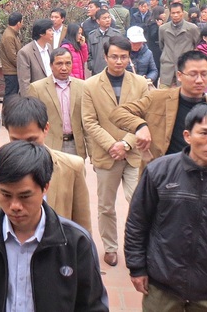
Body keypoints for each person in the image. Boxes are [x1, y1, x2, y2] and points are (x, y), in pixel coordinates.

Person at [0, 141, 108, 312]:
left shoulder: (76, 242)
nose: (15, 205)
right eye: (6, 194)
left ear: (45, 187)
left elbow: (92, 305)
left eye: (24, 196)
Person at [125, 103, 207, 311]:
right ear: (187, 135)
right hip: (162, 287)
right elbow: (138, 222)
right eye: (204, 133)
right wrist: (137, 268)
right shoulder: (159, 172)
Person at [0, 96, 91, 232]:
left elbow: (82, 227)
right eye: (16, 140)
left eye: (32, 140)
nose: (25, 147)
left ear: (46, 128)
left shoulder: (72, 167)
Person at [82, 35, 148, 266]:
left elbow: (144, 117)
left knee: (139, 201)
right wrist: (112, 145)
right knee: (106, 205)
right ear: (105, 56)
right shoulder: (90, 85)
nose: (119, 61)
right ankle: (110, 247)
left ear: (129, 57)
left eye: (123, 57)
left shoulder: (140, 83)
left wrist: (126, 144)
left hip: (134, 153)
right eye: (114, 57)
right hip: (106, 154)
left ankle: (138, 245)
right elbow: (89, 122)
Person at [110, 50, 207, 161]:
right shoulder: (158, 98)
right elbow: (118, 113)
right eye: (193, 74)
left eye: (204, 74)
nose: (199, 80)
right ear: (179, 75)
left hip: (203, 172)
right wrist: (140, 126)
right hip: (165, 172)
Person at [27, 47, 88, 158]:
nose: (64, 68)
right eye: (59, 64)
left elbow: (88, 120)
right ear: (51, 65)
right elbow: (32, 121)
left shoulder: (83, 87)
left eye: (68, 63)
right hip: (48, 146)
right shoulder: (37, 88)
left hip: (75, 146)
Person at [159, 2, 200, 87]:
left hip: (185, 67)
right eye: (173, 13)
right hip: (167, 67)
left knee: (184, 95)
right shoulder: (163, 29)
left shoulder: (192, 28)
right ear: (170, 14)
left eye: (178, 12)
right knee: (164, 96)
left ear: (183, 12)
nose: (176, 15)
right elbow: (161, 45)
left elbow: (197, 44)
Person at [16, 18, 54, 95]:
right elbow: (24, 81)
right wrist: (28, 102)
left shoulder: (49, 47)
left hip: (51, 93)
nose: (52, 33)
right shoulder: (25, 52)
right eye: (50, 30)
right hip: (36, 95)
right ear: (41, 33)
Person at [87, 9, 121, 75]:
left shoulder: (116, 34)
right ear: (98, 21)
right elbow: (89, 53)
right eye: (104, 18)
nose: (108, 20)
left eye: (109, 17)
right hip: (97, 71)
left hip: (113, 71)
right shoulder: (92, 35)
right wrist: (92, 65)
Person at [0, 12, 23, 96]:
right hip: (11, 72)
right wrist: (23, 66)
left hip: (14, 71)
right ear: (18, 23)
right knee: (11, 95)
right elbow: (13, 57)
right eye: (22, 21)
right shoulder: (9, 36)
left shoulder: (13, 34)